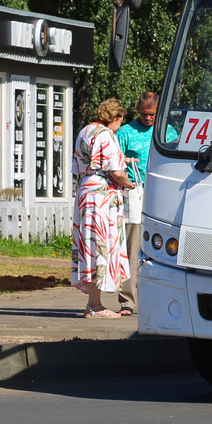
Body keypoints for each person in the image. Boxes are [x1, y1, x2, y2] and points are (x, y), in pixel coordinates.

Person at [114, 91, 178, 317]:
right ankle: (128, 301)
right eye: (144, 114)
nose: (148, 118)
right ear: (137, 110)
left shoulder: (167, 132)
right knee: (132, 248)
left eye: (152, 114)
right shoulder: (126, 133)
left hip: (161, 194)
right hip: (134, 192)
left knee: (163, 249)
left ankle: (162, 298)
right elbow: (115, 163)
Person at [71, 98, 132, 318]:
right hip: (101, 195)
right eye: (120, 120)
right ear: (114, 117)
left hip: (86, 190)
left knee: (90, 244)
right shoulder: (106, 135)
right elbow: (115, 171)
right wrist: (129, 183)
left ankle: (93, 302)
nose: (119, 125)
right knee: (101, 244)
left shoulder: (84, 131)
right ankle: (95, 306)